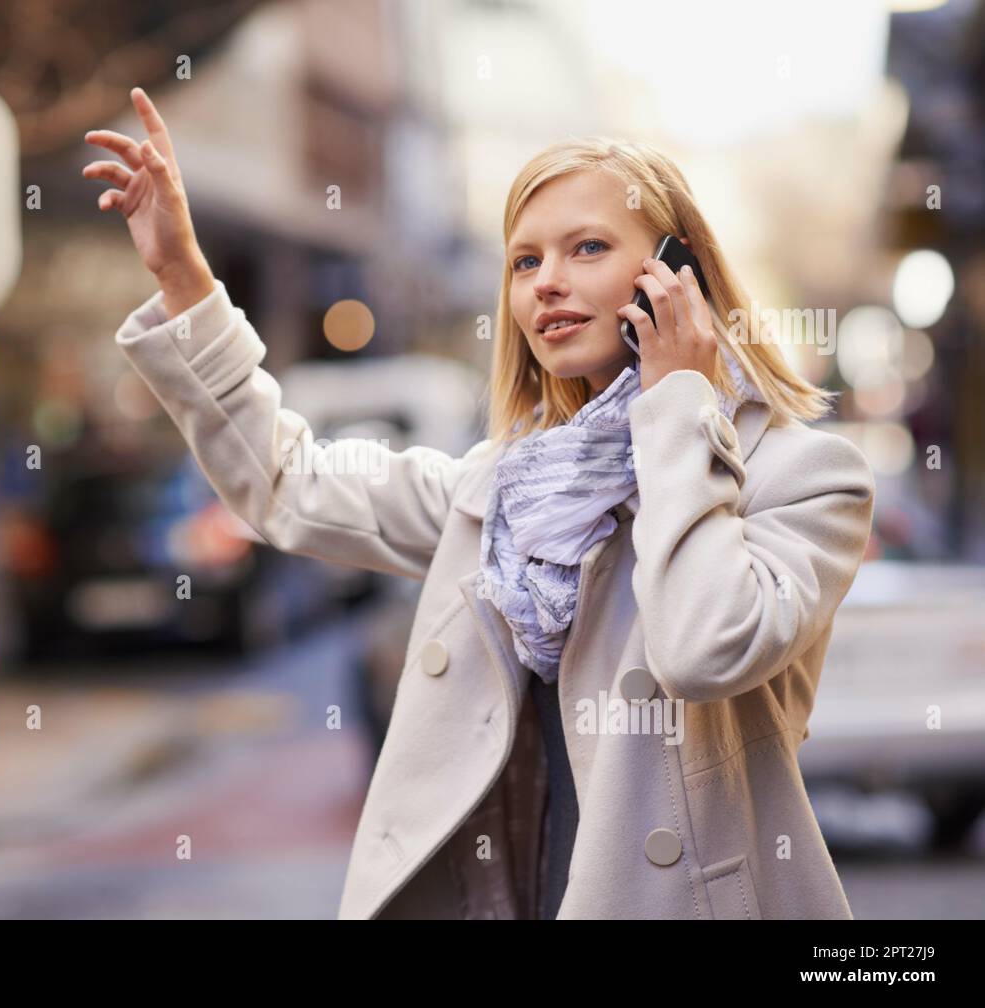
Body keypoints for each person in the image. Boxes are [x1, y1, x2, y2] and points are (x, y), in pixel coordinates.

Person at [83, 88, 876, 919]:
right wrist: (182, 276)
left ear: (677, 273)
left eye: (588, 247)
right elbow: (287, 482)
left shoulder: (803, 477)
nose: (548, 284)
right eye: (525, 261)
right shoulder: (502, 492)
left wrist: (678, 402)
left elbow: (703, 649)